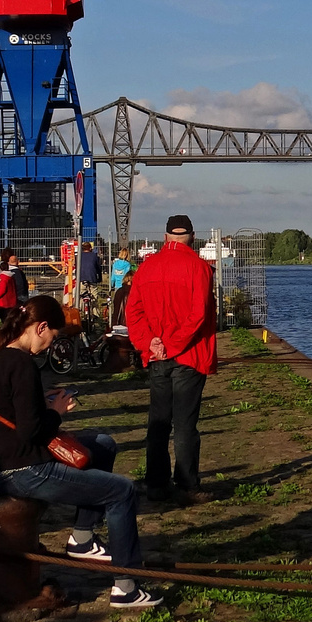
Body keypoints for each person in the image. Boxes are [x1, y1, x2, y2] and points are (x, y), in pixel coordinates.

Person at [0, 295, 160, 610]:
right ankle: (127, 586)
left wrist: (42, 403)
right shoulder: (22, 363)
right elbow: (32, 431)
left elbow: (14, 412)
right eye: (53, 337)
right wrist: (56, 410)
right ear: (41, 327)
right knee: (122, 491)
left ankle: (82, 538)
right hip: (20, 468)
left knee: (102, 445)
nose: (49, 345)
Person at [126, 215, 217, 504]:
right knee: (185, 423)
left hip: (156, 355)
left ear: (165, 237)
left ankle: (156, 483)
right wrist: (174, 344)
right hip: (188, 354)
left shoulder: (146, 267)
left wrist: (149, 343)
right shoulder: (199, 268)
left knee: (159, 420)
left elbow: (133, 312)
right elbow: (198, 314)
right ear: (192, 236)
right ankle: (187, 484)